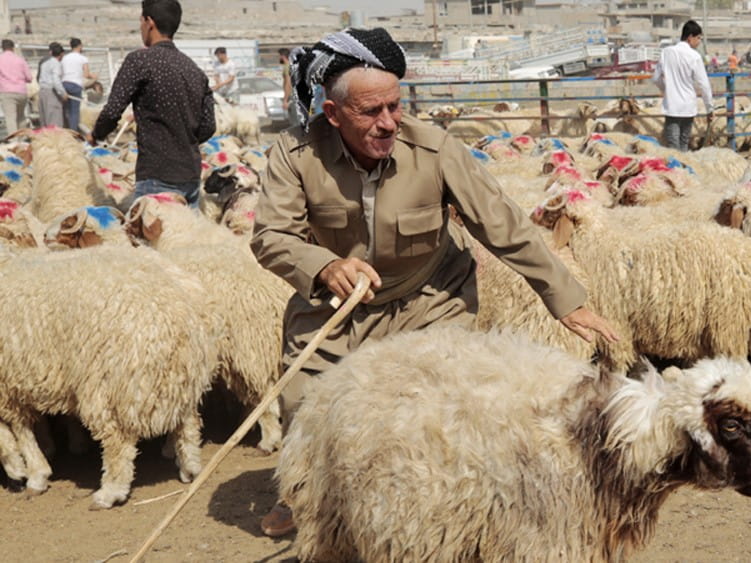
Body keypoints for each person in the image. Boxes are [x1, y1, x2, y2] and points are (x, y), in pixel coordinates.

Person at [251, 27, 618, 538]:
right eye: (370, 112)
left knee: (434, 405)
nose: (388, 124)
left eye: (394, 107)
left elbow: (502, 223)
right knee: (303, 400)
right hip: (338, 305)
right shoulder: (295, 157)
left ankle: (443, 505)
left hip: (430, 297)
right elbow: (270, 234)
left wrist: (565, 299)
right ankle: (304, 495)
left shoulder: (436, 149)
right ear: (333, 115)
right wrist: (324, 266)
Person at [90, 0, 215, 209]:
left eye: (140, 22)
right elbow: (209, 126)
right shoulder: (194, 70)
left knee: (155, 240)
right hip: (191, 176)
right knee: (189, 240)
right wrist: (183, 140)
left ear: (149, 22)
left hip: (157, 175)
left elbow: (112, 111)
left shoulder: (140, 61)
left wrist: (96, 135)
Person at [651, 20, 714, 151]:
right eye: (698, 38)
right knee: (684, 143)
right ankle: (685, 169)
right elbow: (704, 85)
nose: (699, 42)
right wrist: (709, 108)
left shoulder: (666, 52)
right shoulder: (694, 56)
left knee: (673, 145)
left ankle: (676, 169)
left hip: (672, 107)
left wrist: (666, 90)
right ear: (690, 37)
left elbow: (656, 78)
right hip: (688, 107)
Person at [61, 37, 96, 132]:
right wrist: (94, 76)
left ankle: (66, 130)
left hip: (64, 84)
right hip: (75, 84)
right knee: (74, 111)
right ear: (80, 46)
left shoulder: (65, 58)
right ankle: (74, 133)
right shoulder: (83, 58)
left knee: (66, 110)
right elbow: (86, 74)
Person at [0, 39, 33, 137]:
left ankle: (14, 142)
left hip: (7, 92)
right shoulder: (20, 59)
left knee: (10, 118)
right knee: (21, 117)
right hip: (21, 92)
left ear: (2, 48)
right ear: (13, 48)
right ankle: (22, 139)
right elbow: (29, 78)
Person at [37, 42, 67, 128]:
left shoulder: (44, 63)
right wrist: (63, 93)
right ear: (61, 54)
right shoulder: (56, 64)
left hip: (42, 92)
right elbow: (56, 81)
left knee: (45, 120)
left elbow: (39, 78)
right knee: (54, 120)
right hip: (51, 93)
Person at [278, 47, 296, 124]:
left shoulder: (287, 67)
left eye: (279, 56)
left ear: (283, 56)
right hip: (296, 96)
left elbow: (288, 83)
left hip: (292, 97)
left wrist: (285, 100)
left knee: (294, 121)